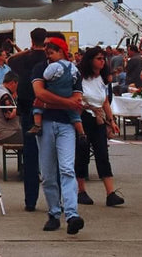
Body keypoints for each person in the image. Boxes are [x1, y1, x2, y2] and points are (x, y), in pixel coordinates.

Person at [32, 36, 85, 235]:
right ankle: (55, 212)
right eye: (46, 48)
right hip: (58, 122)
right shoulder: (41, 68)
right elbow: (39, 93)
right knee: (48, 174)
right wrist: (67, 103)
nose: (47, 51)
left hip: (59, 124)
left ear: (61, 50)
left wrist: (48, 103)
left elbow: (44, 97)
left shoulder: (71, 70)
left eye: (51, 49)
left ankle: (70, 214)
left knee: (66, 169)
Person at [75, 47, 124, 207]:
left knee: (102, 153)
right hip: (84, 116)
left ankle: (110, 193)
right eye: (99, 59)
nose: (102, 62)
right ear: (90, 61)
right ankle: (80, 190)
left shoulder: (102, 79)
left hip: (98, 118)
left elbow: (105, 101)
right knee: (82, 154)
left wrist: (111, 120)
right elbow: (77, 98)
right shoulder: (80, 78)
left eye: (103, 59)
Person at [8, 27, 46, 212]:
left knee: (30, 156)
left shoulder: (22, 59)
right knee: (53, 156)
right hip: (48, 108)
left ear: (31, 40)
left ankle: (30, 201)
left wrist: (26, 50)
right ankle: (58, 200)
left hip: (27, 109)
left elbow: (10, 60)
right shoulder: (49, 59)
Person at [27, 38, 86, 144]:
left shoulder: (51, 66)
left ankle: (37, 125)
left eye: (50, 53)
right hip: (67, 97)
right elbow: (76, 98)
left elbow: (42, 89)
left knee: (37, 107)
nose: (48, 56)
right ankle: (81, 132)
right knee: (75, 116)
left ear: (60, 51)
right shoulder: (73, 67)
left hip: (53, 99)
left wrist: (46, 104)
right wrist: (68, 103)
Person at [0, 71, 22, 144]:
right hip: (7, 133)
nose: (16, 88)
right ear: (12, 83)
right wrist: (22, 106)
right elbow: (10, 115)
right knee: (32, 139)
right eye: (17, 85)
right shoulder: (4, 95)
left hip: (1, 132)